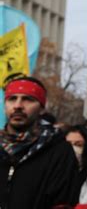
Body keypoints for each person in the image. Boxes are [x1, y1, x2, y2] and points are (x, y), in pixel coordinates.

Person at [0, 76, 79, 208]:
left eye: (27, 99)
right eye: (12, 99)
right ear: (5, 106)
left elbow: (63, 202)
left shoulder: (59, 151)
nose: (18, 106)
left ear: (42, 108)